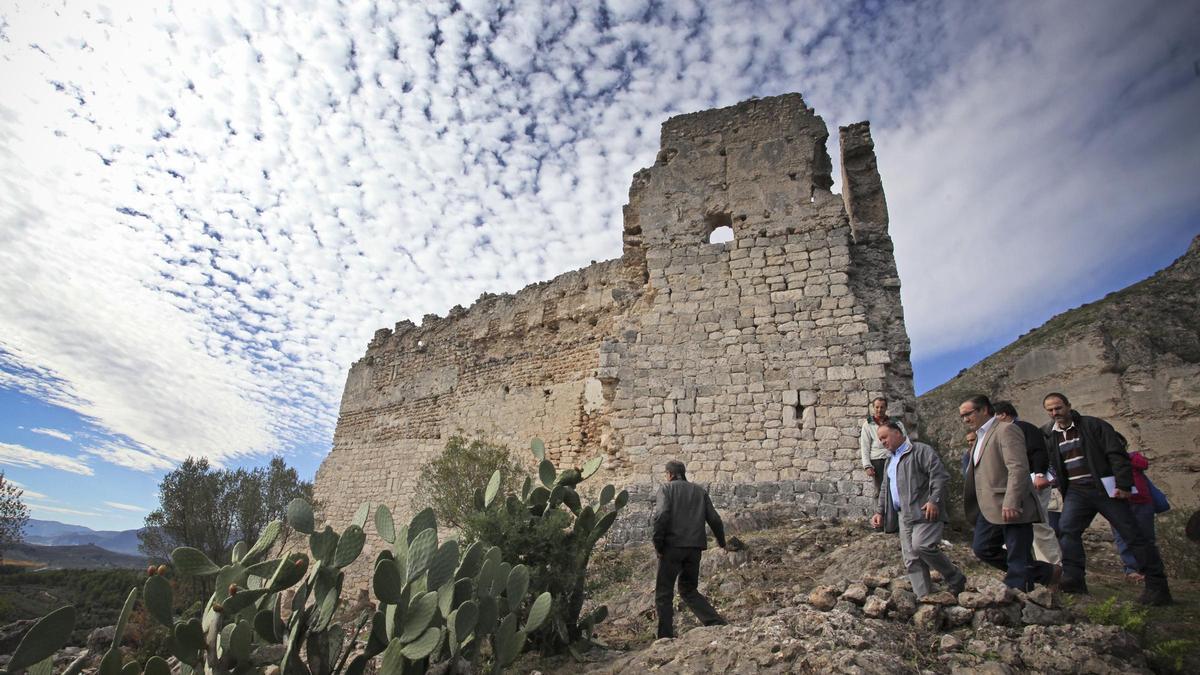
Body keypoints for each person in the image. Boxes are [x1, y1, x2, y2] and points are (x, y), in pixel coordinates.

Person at [1042, 392, 1172, 605]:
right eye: (1050, 410)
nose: (1055, 413)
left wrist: (1123, 484)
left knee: (1131, 533)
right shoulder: (1049, 434)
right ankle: (1074, 579)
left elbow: (1116, 454)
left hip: (1104, 489)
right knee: (1067, 530)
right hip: (1076, 491)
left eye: (1058, 408)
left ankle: (1157, 586)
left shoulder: (1094, 426)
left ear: (1068, 405)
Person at [961, 394, 1058, 591]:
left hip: (1011, 505)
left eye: (968, 414)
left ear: (984, 410)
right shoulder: (979, 437)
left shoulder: (1006, 430)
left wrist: (1012, 501)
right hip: (989, 507)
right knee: (983, 549)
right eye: (962, 416)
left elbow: (1018, 468)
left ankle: (1019, 593)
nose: (965, 420)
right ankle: (1047, 573)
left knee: (1017, 554)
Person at [871, 421, 966, 598]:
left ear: (898, 433)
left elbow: (938, 476)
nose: (882, 442)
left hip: (924, 510)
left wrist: (934, 500)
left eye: (884, 437)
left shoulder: (921, 451)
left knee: (922, 545)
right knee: (911, 559)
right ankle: (924, 597)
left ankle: (954, 576)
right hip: (903, 515)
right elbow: (885, 487)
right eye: (880, 439)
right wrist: (879, 511)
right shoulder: (889, 460)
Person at [652, 460, 728, 638]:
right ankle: (715, 622)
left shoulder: (666, 489)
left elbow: (662, 515)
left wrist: (658, 544)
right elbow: (715, 519)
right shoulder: (699, 491)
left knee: (664, 593)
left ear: (669, 474)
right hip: (694, 548)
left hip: (671, 548)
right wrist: (722, 542)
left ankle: (665, 637)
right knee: (688, 589)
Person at [994, 401, 1062, 568]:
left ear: (1003, 415)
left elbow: (1038, 451)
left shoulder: (1023, 427)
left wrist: (1039, 474)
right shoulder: (999, 434)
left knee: (1039, 526)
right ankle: (1016, 564)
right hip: (1012, 485)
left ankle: (1053, 566)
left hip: (1031, 482)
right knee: (1010, 524)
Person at [1110, 451, 1155, 582]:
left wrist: (1123, 458)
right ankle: (1132, 570)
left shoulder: (1133, 456)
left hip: (1141, 502)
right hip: (1118, 504)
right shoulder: (1103, 462)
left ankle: (1150, 569)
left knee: (1147, 536)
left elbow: (1144, 464)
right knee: (1122, 537)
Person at [860, 397, 907, 495]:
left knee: (897, 488)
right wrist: (867, 466)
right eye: (877, 407)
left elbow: (905, 440)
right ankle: (880, 510)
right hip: (877, 462)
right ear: (873, 408)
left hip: (895, 458)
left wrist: (905, 458)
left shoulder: (896, 423)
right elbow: (865, 446)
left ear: (886, 408)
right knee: (881, 491)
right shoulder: (868, 425)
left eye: (882, 407)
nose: (879, 410)